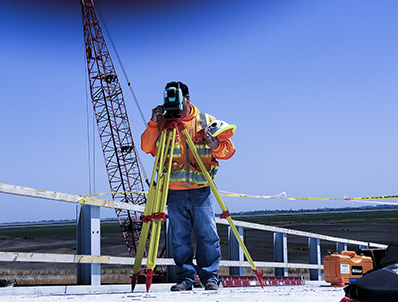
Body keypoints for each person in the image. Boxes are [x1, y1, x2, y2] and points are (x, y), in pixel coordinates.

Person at [141, 81, 236, 291]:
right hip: (173, 191)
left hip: (200, 189)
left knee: (207, 236)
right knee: (179, 238)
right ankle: (185, 278)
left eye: (177, 98)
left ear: (187, 98)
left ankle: (210, 277)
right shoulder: (163, 123)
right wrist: (154, 123)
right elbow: (147, 147)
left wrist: (216, 146)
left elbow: (228, 151)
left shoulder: (206, 121)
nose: (172, 103)